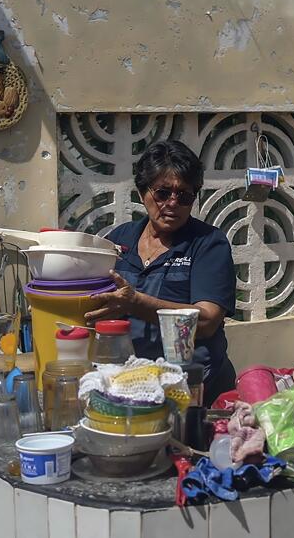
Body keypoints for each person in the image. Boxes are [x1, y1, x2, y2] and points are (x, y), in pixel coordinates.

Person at [85, 139, 237, 405]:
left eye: (185, 195)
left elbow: (207, 321)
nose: (173, 203)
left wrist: (136, 303)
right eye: (163, 193)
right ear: (142, 191)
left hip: (191, 390)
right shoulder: (120, 240)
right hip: (130, 386)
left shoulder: (208, 244)